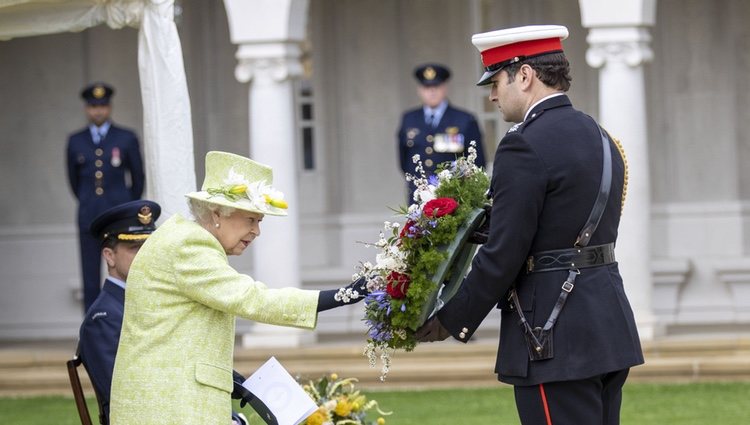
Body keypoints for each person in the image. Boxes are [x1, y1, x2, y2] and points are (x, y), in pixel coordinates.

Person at [415, 25, 644, 425]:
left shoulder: (523, 143)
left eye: (496, 81)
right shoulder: (602, 136)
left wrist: (450, 318)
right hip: (607, 324)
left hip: (552, 335)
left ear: (525, 75)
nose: (491, 95)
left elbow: (504, 253)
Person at [109, 151, 366, 424]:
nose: (257, 232)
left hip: (166, 399)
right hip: (168, 405)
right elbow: (251, 298)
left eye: (259, 221)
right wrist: (342, 296)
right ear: (218, 213)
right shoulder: (190, 245)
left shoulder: (182, 236)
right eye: (251, 220)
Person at [78, 200, 249, 425]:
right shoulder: (104, 317)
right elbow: (126, 392)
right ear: (109, 256)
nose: (147, 255)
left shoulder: (156, 302)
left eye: (151, 247)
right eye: (135, 248)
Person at [66, 82, 145, 311]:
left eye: (102, 106)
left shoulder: (126, 137)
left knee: (125, 267)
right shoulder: (75, 140)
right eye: (93, 106)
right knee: (89, 274)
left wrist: (126, 206)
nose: (98, 110)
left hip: (119, 217)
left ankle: (126, 319)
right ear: (86, 109)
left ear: (109, 107)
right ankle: (92, 326)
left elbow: (138, 178)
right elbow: (73, 181)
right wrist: (88, 201)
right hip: (89, 215)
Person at [397, 63, 486, 200]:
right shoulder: (409, 119)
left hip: (454, 196)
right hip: (419, 196)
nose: (432, 91)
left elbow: (478, 162)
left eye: (436, 87)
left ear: (445, 88)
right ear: (419, 90)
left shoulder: (465, 120)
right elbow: (404, 161)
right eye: (427, 87)